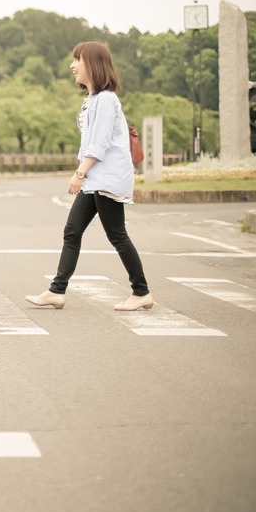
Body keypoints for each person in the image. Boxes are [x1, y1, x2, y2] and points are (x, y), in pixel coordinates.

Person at [26, 40, 152, 312]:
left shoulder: (106, 99)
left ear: (92, 64)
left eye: (77, 60)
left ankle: (141, 292)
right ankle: (57, 291)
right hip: (95, 179)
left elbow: (100, 142)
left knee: (117, 235)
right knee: (72, 231)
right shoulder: (93, 99)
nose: (72, 65)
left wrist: (79, 173)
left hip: (105, 178)